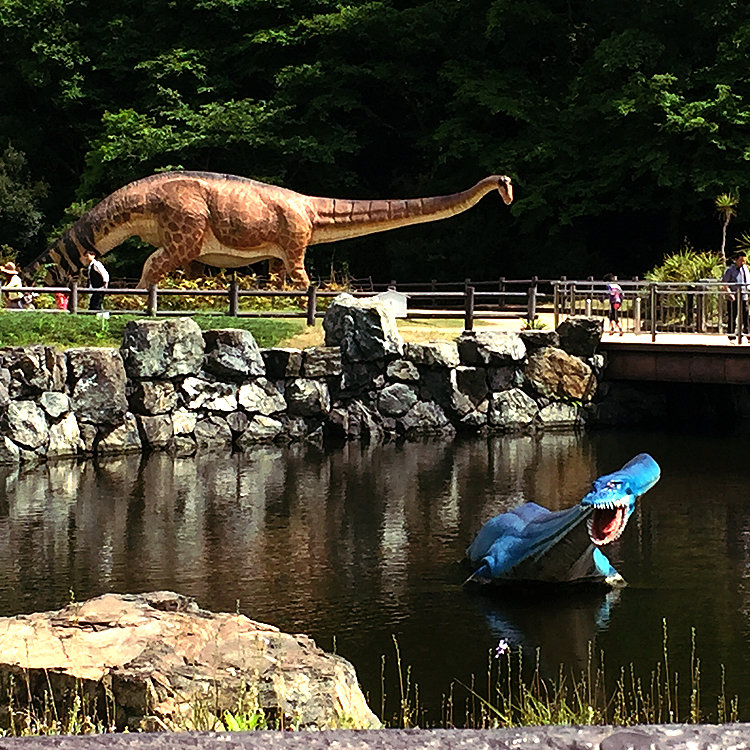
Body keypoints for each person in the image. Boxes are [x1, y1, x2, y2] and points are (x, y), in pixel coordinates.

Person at [720, 251, 750, 342]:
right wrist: (729, 293)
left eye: (744, 261)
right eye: (741, 260)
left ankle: (747, 334)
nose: (742, 263)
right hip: (734, 296)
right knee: (733, 316)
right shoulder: (730, 270)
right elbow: (725, 284)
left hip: (744, 295)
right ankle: (731, 335)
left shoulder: (745, 269)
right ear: (736, 260)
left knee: (746, 315)